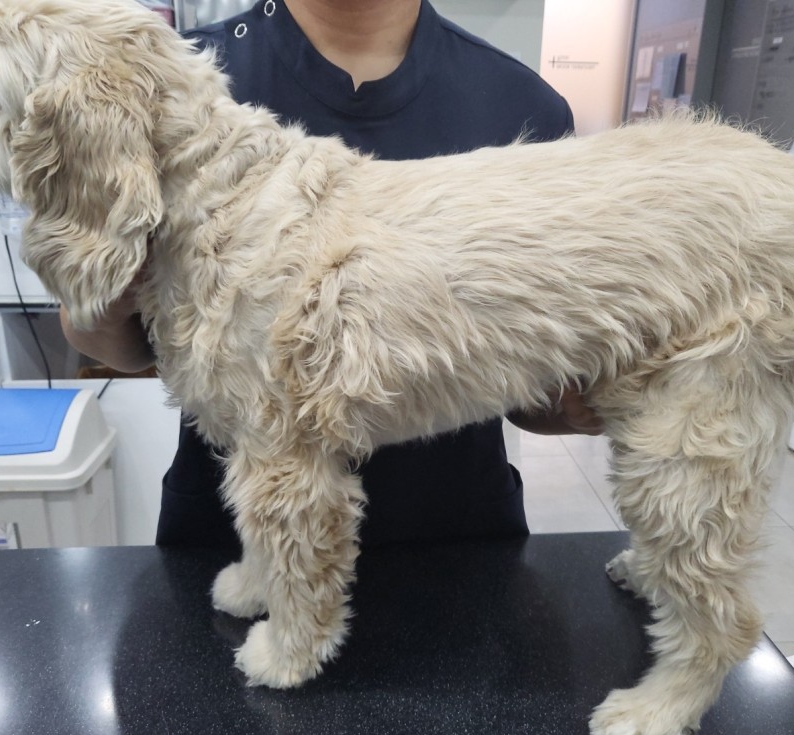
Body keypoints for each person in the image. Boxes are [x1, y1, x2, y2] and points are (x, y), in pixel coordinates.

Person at [60, 0, 603, 554]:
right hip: (245, 533)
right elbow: (109, 338)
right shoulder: (174, 79)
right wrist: (106, 279)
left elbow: (534, 386)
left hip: (455, 533)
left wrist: (584, 403)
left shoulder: (521, 108)